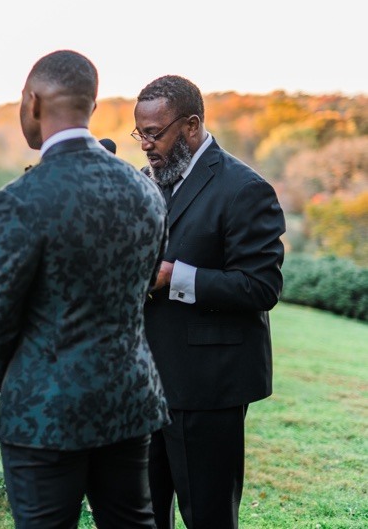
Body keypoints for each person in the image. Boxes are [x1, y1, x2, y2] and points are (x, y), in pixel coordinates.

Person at [0, 50, 171, 529]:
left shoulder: (20, 199)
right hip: (127, 398)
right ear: (92, 108)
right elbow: (141, 287)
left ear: (33, 103)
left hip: (45, 407)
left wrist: (14, 378)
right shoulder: (146, 193)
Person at [133, 75, 285, 529]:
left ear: (192, 125)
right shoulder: (146, 182)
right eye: (139, 132)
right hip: (143, 383)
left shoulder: (245, 188)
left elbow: (261, 287)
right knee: (143, 516)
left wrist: (172, 276)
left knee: (208, 518)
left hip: (207, 387)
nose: (144, 144)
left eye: (154, 133)